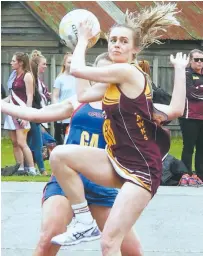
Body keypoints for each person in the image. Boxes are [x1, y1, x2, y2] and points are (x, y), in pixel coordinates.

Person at [49, 4, 189, 255]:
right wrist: (179, 71)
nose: (116, 44)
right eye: (112, 40)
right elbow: (82, 93)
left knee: (110, 242)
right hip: (118, 159)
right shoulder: (113, 82)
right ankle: (83, 220)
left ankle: (86, 224)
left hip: (142, 169)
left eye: (123, 41)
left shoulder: (127, 72)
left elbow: (78, 69)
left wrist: (81, 42)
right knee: (59, 155)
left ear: (135, 50)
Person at [1, 53, 143, 256]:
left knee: (133, 250)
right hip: (67, 180)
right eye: (101, 72)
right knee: (48, 238)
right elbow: (36, 115)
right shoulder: (78, 101)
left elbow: (169, 112)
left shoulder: (128, 106)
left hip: (102, 182)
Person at [3, 52, 37, 176]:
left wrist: (26, 115)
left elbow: (29, 96)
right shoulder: (14, 75)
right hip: (11, 111)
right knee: (15, 142)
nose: (11, 63)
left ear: (20, 62)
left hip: (21, 111)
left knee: (22, 142)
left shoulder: (27, 76)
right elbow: (12, 95)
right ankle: (20, 167)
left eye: (13, 61)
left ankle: (32, 169)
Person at [179, 49, 203, 186]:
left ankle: (200, 175)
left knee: (201, 147)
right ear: (190, 60)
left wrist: (199, 88)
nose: (200, 62)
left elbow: (197, 91)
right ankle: (186, 174)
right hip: (189, 116)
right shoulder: (186, 74)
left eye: (202, 60)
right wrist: (198, 89)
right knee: (189, 147)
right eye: (196, 59)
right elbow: (191, 94)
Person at [27, 50, 50, 176]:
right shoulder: (32, 78)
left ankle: (30, 166)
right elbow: (33, 97)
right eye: (44, 64)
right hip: (35, 114)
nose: (45, 67)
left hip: (38, 113)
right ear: (37, 65)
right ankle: (42, 169)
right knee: (38, 142)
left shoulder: (37, 79)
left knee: (32, 142)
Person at [52, 52, 76, 145]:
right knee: (61, 142)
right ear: (64, 64)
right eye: (69, 62)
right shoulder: (60, 79)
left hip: (75, 113)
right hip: (63, 114)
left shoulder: (79, 78)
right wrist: (57, 109)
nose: (71, 64)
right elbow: (55, 96)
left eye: (73, 62)